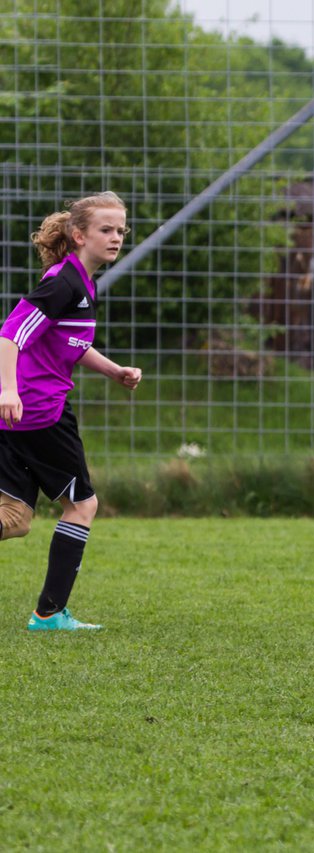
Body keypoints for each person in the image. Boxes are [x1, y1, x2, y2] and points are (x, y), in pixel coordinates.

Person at [0, 192, 142, 631]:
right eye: (106, 229)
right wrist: (7, 388)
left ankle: (50, 613)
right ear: (79, 235)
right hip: (39, 415)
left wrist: (112, 369)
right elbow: (9, 334)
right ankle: (49, 615)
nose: (116, 237)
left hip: (20, 417)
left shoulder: (81, 282)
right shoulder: (64, 283)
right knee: (82, 505)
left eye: (121, 230)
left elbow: (69, 344)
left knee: (15, 520)